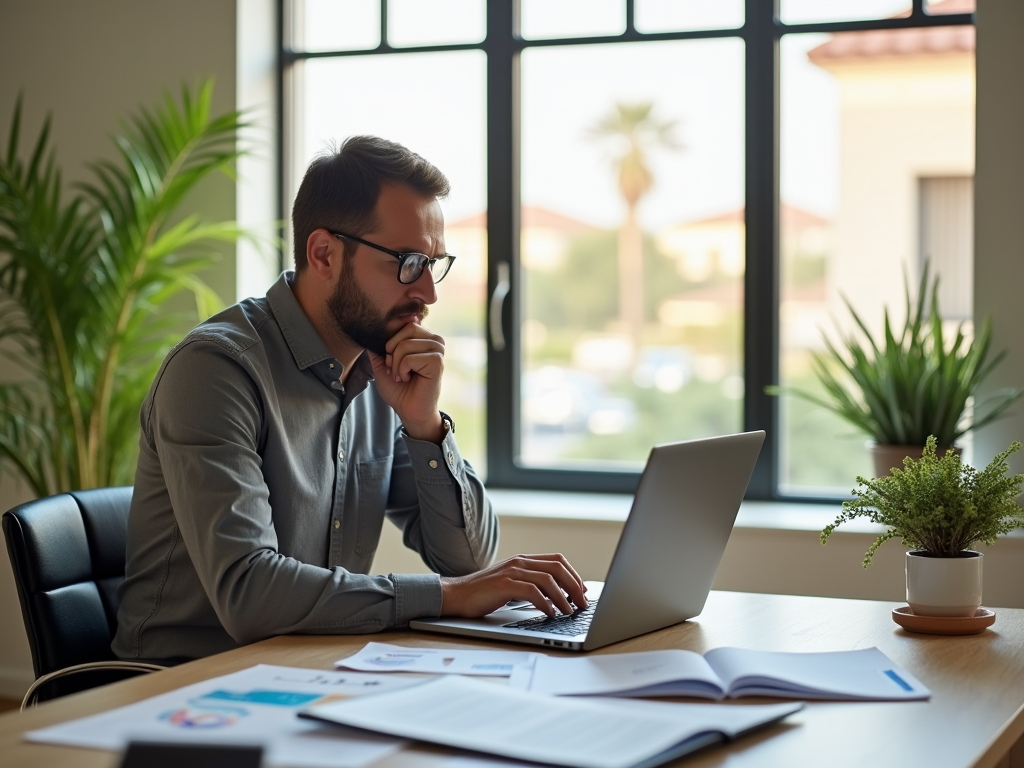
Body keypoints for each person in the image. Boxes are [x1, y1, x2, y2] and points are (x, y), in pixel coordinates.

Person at [113, 136, 587, 661]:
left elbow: (467, 560)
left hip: (312, 669)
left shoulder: (379, 370)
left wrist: (424, 425)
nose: (428, 292)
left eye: (435, 263)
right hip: (180, 689)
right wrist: (449, 598)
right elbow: (248, 594)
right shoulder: (215, 370)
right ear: (324, 253)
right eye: (408, 262)